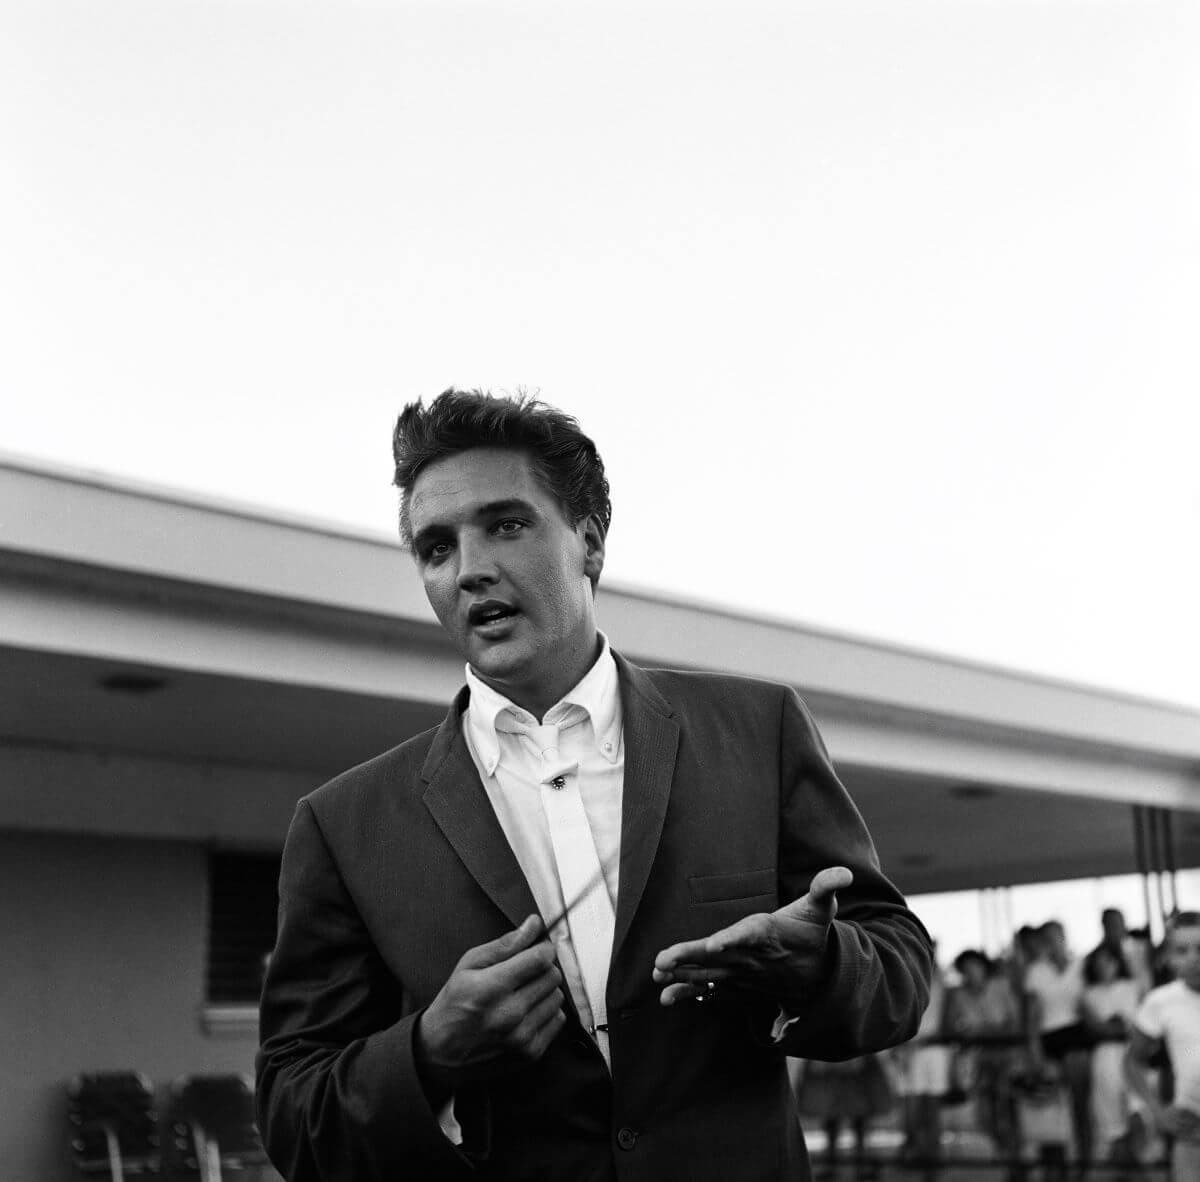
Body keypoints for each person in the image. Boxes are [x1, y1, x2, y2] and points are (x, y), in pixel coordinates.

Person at [255, 390, 934, 1182]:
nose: (471, 569)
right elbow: (291, 1113)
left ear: (590, 542)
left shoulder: (758, 731)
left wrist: (817, 966)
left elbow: (900, 967)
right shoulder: (346, 825)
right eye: (437, 549)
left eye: (506, 525)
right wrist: (430, 1051)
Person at [1125, 912, 1200, 1182]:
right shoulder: (1161, 1001)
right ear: (1169, 957)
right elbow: (1133, 1061)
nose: (1193, 957)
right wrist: (1158, 1111)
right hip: (1192, 1136)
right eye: (1182, 950)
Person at [943, 949, 1022, 1168]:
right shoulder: (958, 995)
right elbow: (952, 1027)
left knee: (1007, 1110)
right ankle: (1006, 1153)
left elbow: (1013, 1024)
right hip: (979, 1061)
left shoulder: (1001, 987)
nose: (971, 973)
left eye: (974, 967)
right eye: (966, 969)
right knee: (985, 1114)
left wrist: (981, 1031)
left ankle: (1014, 1158)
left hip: (1006, 1059)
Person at [1023, 919, 1092, 1165]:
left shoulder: (1082, 966)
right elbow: (1033, 1016)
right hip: (1048, 1039)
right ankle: (1056, 1164)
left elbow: (1088, 1006)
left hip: (1076, 1038)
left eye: (1055, 936)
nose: (1052, 943)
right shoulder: (1036, 971)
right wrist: (1035, 1051)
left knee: (1079, 1103)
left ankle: (1085, 1159)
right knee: (1050, 1104)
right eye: (1047, 938)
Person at [1081, 944, 1139, 1164]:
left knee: (1136, 1107)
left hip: (1132, 1053)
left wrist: (1119, 1026)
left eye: (1109, 961)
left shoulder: (1132, 987)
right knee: (1111, 1112)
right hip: (1105, 1056)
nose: (1104, 967)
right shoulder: (1089, 994)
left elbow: (1134, 1024)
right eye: (1100, 962)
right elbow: (1097, 1027)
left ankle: (1137, 1159)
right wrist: (1116, 1027)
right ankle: (1121, 1163)